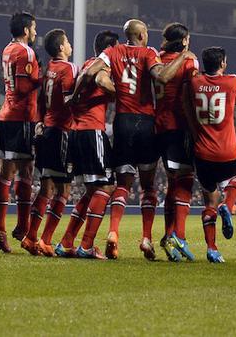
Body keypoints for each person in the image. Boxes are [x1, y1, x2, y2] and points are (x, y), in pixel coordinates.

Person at [79, 19, 193, 260]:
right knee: (148, 186)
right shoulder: (148, 52)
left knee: (123, 184)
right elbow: (161, 76)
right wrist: (183, 57)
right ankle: (146, 238)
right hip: (145, 121)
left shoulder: (113, 50)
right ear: (141, 35)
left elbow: (90, 72)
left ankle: (112, 232)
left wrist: (82, 94)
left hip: (122, 121)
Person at [57, 30, 118, 259]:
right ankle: (86, 245)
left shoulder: (85, 64)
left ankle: (66, 242)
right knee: (106, 187)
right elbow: (102, 81)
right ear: (110, 49)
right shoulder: (101, 66)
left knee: (92, 190)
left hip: (77, 131)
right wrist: (122, 92)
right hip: (92, 131)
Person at [0, 12, 41, 253]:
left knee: (7, 171)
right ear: (27, 30)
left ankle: (1, 225)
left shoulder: (7, 50)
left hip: (6, 115)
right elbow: (22, 87)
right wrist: (44, 79)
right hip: (22, 117)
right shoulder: (26, 52)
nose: (36, 33)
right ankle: (21, 226)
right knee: (26, 169)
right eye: (34, 28)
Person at [21, 29, 77, 256]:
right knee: (63, 190)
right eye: (68, 42)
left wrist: (40, 122)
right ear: (61, 47)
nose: (71, 45)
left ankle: (31, 236)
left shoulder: (48, 70)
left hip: (46, 131)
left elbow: (41, 101)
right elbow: (69, 100)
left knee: (45, 188)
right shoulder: (69, 68)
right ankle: (45, 239)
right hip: (62, 132)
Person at [184, 47, 236, 264]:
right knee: (234, 180)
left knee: (209, 200)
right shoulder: (232, 81)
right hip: (227, 150)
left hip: (202, 152)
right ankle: (227, 205)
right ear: (223, 63)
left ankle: (212, 249)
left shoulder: (194, 83)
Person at [154, 23, 200, 262]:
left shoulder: (156, 58)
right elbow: (192, 94)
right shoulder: (189, 61)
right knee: (184, 182)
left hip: (157, 127)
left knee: (173, 185)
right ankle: (178, 235)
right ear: (183, 41)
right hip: (178, 127)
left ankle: (168, 235)